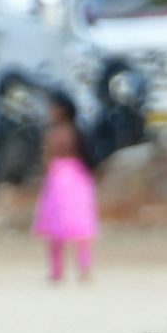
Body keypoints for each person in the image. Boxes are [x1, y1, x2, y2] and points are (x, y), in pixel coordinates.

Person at [30, 91, 98, 283]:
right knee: (80, 228)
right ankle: (83, 270)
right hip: (78, 176)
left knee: (57, 228)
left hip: (60, 178)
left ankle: (57, 271)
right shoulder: (77, 131)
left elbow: (47, 158)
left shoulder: (54, 133)